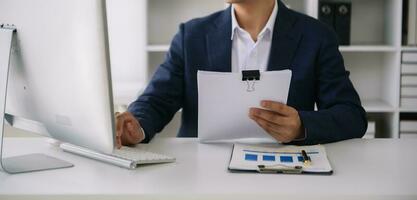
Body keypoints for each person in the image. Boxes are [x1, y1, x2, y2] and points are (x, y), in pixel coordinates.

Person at [114, 0, 367, 148]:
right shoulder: (191, 36)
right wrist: (135, 125)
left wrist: (301, 126)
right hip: (200, 177)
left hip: (283, 176)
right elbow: (155, 101)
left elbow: (351, 115)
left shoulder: (317, 37)